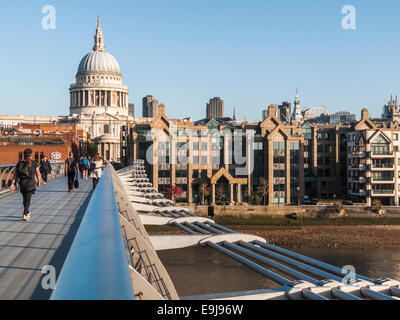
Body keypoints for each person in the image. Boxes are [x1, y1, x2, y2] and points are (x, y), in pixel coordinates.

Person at [10, 148, 41, 221]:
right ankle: (25, 213)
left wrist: (12, 183)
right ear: (31, 154)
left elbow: (15, 174)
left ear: (24, 154)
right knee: (27, 200)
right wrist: (39, 181)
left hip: (22, 183)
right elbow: (38, 173)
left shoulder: (20, 163)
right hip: (30, 183)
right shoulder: (34, 163)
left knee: (25, 199)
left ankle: (26, 212)